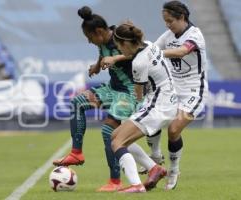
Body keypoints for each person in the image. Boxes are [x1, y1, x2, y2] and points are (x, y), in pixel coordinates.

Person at [53, 6, 149, 192]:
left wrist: (115, 59)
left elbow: (138, 52)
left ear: (98, 32)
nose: (90, 42)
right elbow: (103, 51)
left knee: (108, 132)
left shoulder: (120, 38)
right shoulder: (104, 39)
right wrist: (97, 66)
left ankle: (115, 181)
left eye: (90, 38)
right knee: (77, 102)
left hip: (129, 92)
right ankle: (76, 153)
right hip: (112, 88)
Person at [144, 0, 209, 190]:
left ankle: (173, 170)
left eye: (170, 21)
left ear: (182, 17)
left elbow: (182, 51)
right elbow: (151, 51)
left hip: (193, 91)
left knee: (173, 130)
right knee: (151, 118)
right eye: (165, 21)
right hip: (171, 89)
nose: (167, 25)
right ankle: (155, 154)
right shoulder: (168, 35)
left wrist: (158, 54)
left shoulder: (195, 35)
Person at [111, 22, 178, 193]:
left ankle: (136, 185)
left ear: (125, 44)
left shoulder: (138, 63)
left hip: (158, 105)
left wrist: (127, 106)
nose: (120, 51)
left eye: (119, 47)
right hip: (166, 100)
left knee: (118, 142)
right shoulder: (149, 45)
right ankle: (155, 168)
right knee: (115, 135)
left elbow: (138, 95)